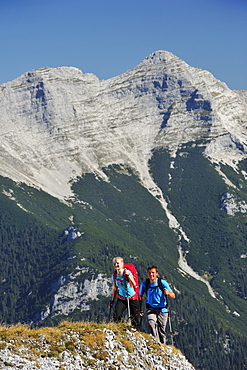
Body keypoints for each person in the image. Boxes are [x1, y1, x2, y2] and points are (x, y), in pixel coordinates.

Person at [140, 265, 175, 343]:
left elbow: (173, 295)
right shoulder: (145, 284)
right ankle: (156, 343)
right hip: (151, 309)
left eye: (153, 273)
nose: (151, 275)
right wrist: (140, 309)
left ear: (156, 273)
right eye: (149, 273)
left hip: (162, 310)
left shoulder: (162, 283)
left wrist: (168, 293)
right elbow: (140, 296)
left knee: (161, 330)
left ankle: (162, 345)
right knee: (151, 323)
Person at [109, 257, 140, 329]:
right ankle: (118, 328)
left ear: (122, 264)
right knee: (117, 314)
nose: (116, 265)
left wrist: (128, 276)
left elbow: (134, 283)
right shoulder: (114, 275)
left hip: (131, 298)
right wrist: (112, 300)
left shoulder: (127, 272)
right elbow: (114, 288)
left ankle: (137, 332)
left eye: (117, 263)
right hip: (122, 298)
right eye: (114, 263)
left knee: (134, 318)